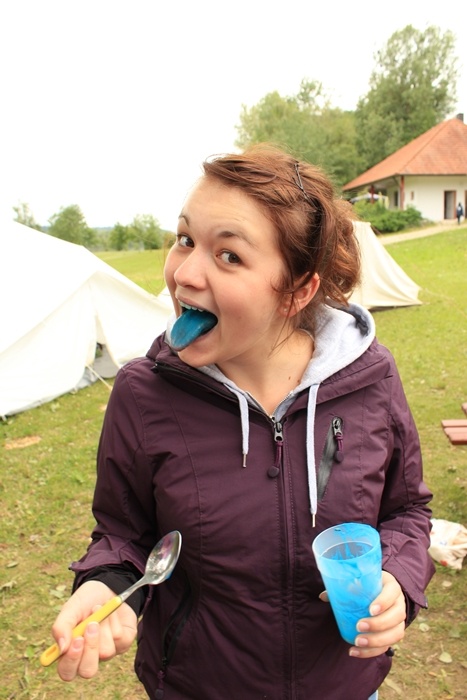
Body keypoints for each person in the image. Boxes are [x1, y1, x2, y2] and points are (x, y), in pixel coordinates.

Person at [47, 144, 435, 700]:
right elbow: (125, 534)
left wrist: (397, 575)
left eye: (228, 255)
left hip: (343, 686)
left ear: (297, 290)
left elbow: (406, 510)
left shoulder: (369, 380)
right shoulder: (143, 393)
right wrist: (107, 584)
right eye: (186, 239)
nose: (184, 273)